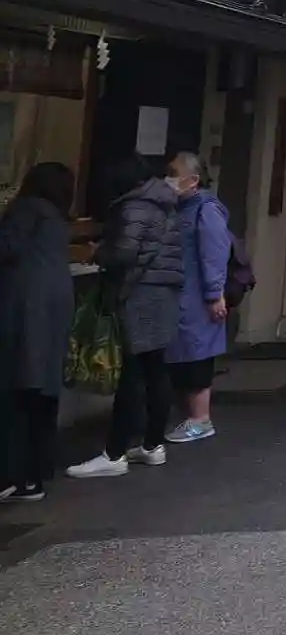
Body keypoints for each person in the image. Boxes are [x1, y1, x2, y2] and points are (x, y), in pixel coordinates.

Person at [67, 158, 186, 479]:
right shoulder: (166, 202)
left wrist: (96, 252)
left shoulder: (136, 206)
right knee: (155, 370)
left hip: (141, 295)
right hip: (164, 294)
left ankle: (115, 452)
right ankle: (152, 445)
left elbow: (124, 253)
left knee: (132, 374)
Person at [0, 163, 76, 501]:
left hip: (24, 306)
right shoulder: (57, 217)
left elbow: (7, 248)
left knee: (16, 390)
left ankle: (11, 475)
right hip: (54, 306)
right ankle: (36, 474)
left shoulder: (26, 210)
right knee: (43, 392)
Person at [163, 152, 230, 444]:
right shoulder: (182, 208)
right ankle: (191, 417)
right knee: (186, 354)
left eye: (173, 173)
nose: (168, 179)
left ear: (193, 180)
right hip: (184, 296)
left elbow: (214, 253)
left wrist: (214, 294)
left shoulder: (206, 210)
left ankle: (200, 419)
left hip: (198, 298)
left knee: (197, 356)